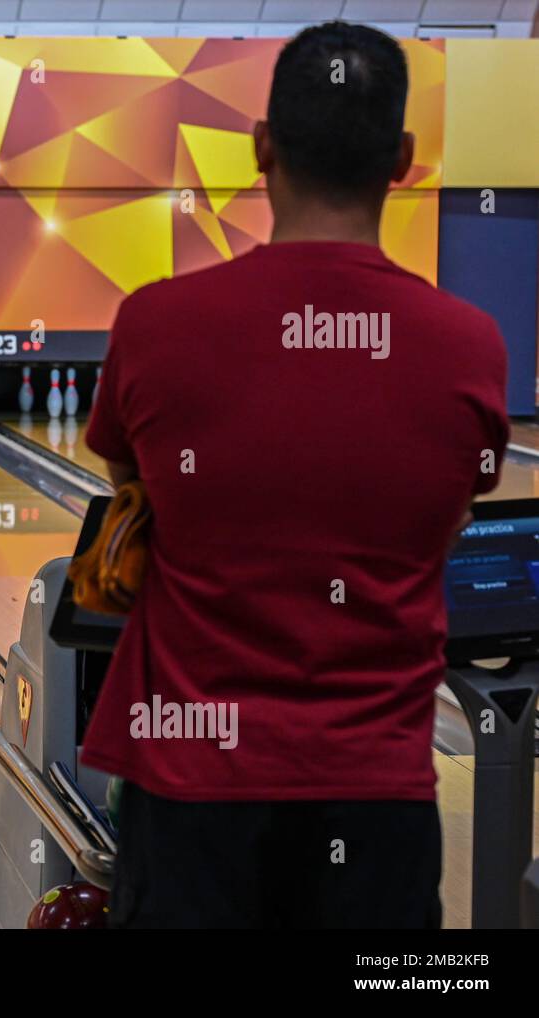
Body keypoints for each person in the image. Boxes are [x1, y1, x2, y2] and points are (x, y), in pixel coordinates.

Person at [82, 22, 509, 928]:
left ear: (262, 147)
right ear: (400, 159)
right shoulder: (470, 345)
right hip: (380, 806)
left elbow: (130, 473)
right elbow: (456, 501)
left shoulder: (156, 324)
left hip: (192, 795)